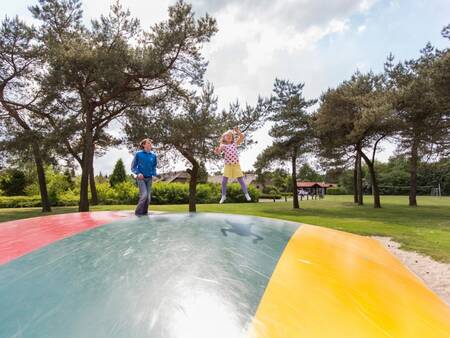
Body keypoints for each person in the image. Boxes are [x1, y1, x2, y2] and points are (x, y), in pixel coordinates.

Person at [214, 127, 251, 204]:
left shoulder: (234, 144)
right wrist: (217, 151)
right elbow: (219, 152)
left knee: (241, 180)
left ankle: (246, 194)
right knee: (224, 182)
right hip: (228, 165)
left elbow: (242, 137)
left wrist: (238, 132)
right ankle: (223, 196)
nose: (229, 137)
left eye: (230, 136)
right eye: (227, 136)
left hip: (236, 165)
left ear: (232, 138)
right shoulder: (223, 145)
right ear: (224, 138)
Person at [131, 138, 157, 216]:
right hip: (141, 178)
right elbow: (133, 166)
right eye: (148, 143)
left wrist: (154, 174)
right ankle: (137, 213)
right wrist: (138, 173)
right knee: (144, 195)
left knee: (148, 198)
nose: (150, 144)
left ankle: (145, 213)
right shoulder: (138, 154)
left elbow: (154, 167)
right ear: (143, 145)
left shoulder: (153, 155)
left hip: (149, 179)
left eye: (150, 143)